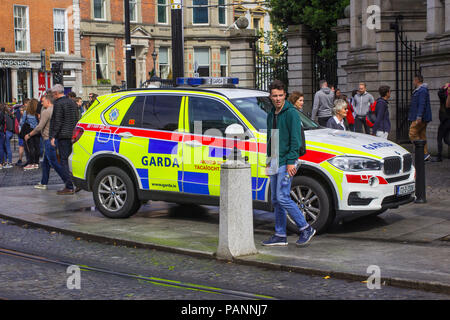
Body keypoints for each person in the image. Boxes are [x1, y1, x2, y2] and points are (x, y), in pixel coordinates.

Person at [263, 80, 316, 247]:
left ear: (284, 95)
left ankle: (305, 228)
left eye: (280, 95)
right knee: (276, 199)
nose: (278, 99)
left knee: (282, 196)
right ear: (270, 97)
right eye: (274, 96)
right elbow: (272, 139)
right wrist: (269, 162)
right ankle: (280, 234)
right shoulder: (272, 113)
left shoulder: (291, 113)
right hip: (275, 160)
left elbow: (296, 139)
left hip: (287, 161)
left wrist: (292, 162)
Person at [26, 92, 70, 190]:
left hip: (48, 139)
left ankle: (68, 182)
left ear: (48, 101)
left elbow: (39, 127)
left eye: (43, 101)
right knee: (45, 162)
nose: (41, 103)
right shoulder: (56, 109)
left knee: (54, 163)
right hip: (55, 138)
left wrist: (29, 135)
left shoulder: (46, 111)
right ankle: (43, 182)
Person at [49, 84, 80, 195]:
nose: (52, 96)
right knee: (72, 160)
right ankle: (77, 184)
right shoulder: (72, 102)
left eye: (53, 94)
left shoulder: (58, 103)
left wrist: (52, 136)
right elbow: (78, 117)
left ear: (56, 93)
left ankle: (69, 186)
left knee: (64, 161)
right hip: (73, 135)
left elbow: (57, 121)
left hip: (63, 136)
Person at [408, 74, 432, 161]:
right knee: (422, 135)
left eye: (414, 80)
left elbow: (422, 104)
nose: (413, 82)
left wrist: (419, 116)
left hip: (420, 117)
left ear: (417, 80)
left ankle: (421, 151)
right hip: (421, 116)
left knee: (412, 133)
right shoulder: (421, 90)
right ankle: (425, 154)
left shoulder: (422, 90)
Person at [20, 99, 40, 170]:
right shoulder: (38, 113)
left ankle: (31, 163)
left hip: (29, 131)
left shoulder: (26, 112)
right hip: (37, 131)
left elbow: (22, 122)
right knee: (37, 147)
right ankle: (36, 163)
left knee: (30, 147)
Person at [432, 83, 450, 162]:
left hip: (445, 120)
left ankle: (439, 156)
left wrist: (445, 88)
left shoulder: (445, 97)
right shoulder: (445, 96)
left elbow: (439, 93)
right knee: (446, 139)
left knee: (439, 138)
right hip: (447, 121)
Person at [2, 104, 15, 168]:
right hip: (11, 132)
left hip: (6, 132)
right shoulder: (10, 115)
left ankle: (8, 162)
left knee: (6, 148)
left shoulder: (4, 115)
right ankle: (8, 162)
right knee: (7, 147)